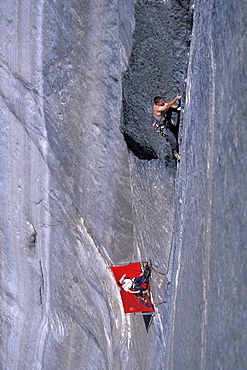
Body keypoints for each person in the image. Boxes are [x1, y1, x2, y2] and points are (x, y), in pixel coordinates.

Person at [153, 95, 181, 160]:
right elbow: (167, 105)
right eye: (160, 101)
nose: (162, 101)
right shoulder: (157, 109)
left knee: (169, 109)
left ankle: (177, 109)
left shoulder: (160, 105)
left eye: (162, 100)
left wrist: (176, 107)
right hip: (161, 127)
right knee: (172, 140)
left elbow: (167, 104)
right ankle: (175, 153)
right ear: (157, 104)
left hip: (165, 122)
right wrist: (176, 98)